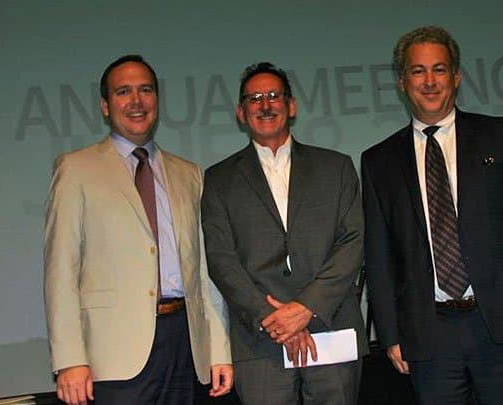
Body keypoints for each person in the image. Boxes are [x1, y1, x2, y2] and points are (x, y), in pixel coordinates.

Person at [362, 26, 503, 404]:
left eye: (439, 69)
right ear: (402, 82)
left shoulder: (502, 137)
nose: (430, 81)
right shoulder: (378, 162)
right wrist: (390, 335)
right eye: (418, 71)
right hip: (430, 336)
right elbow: (379, 257)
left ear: (456, 76)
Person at [43, 55, 232, 405]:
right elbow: (61, 271)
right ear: (105, 105)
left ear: (157, 101)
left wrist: (219, 349)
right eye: (123, 92)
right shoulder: (75, 169)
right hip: (113, 354)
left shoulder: (188, 173)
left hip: (187, 346)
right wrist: (69, 359)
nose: (136, 101)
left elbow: (205, 271)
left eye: (145, 90)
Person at [201, 62, 367, 404]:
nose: (266, 105)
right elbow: (221, 261)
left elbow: (352, 243)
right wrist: (273, 320)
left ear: (291, 106)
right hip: (261, 340)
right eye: (255, 98)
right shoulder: (219, 180)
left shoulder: (336, 168)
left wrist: (305, 308)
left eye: (274, 96)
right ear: (241, 112)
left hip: (330, 327)